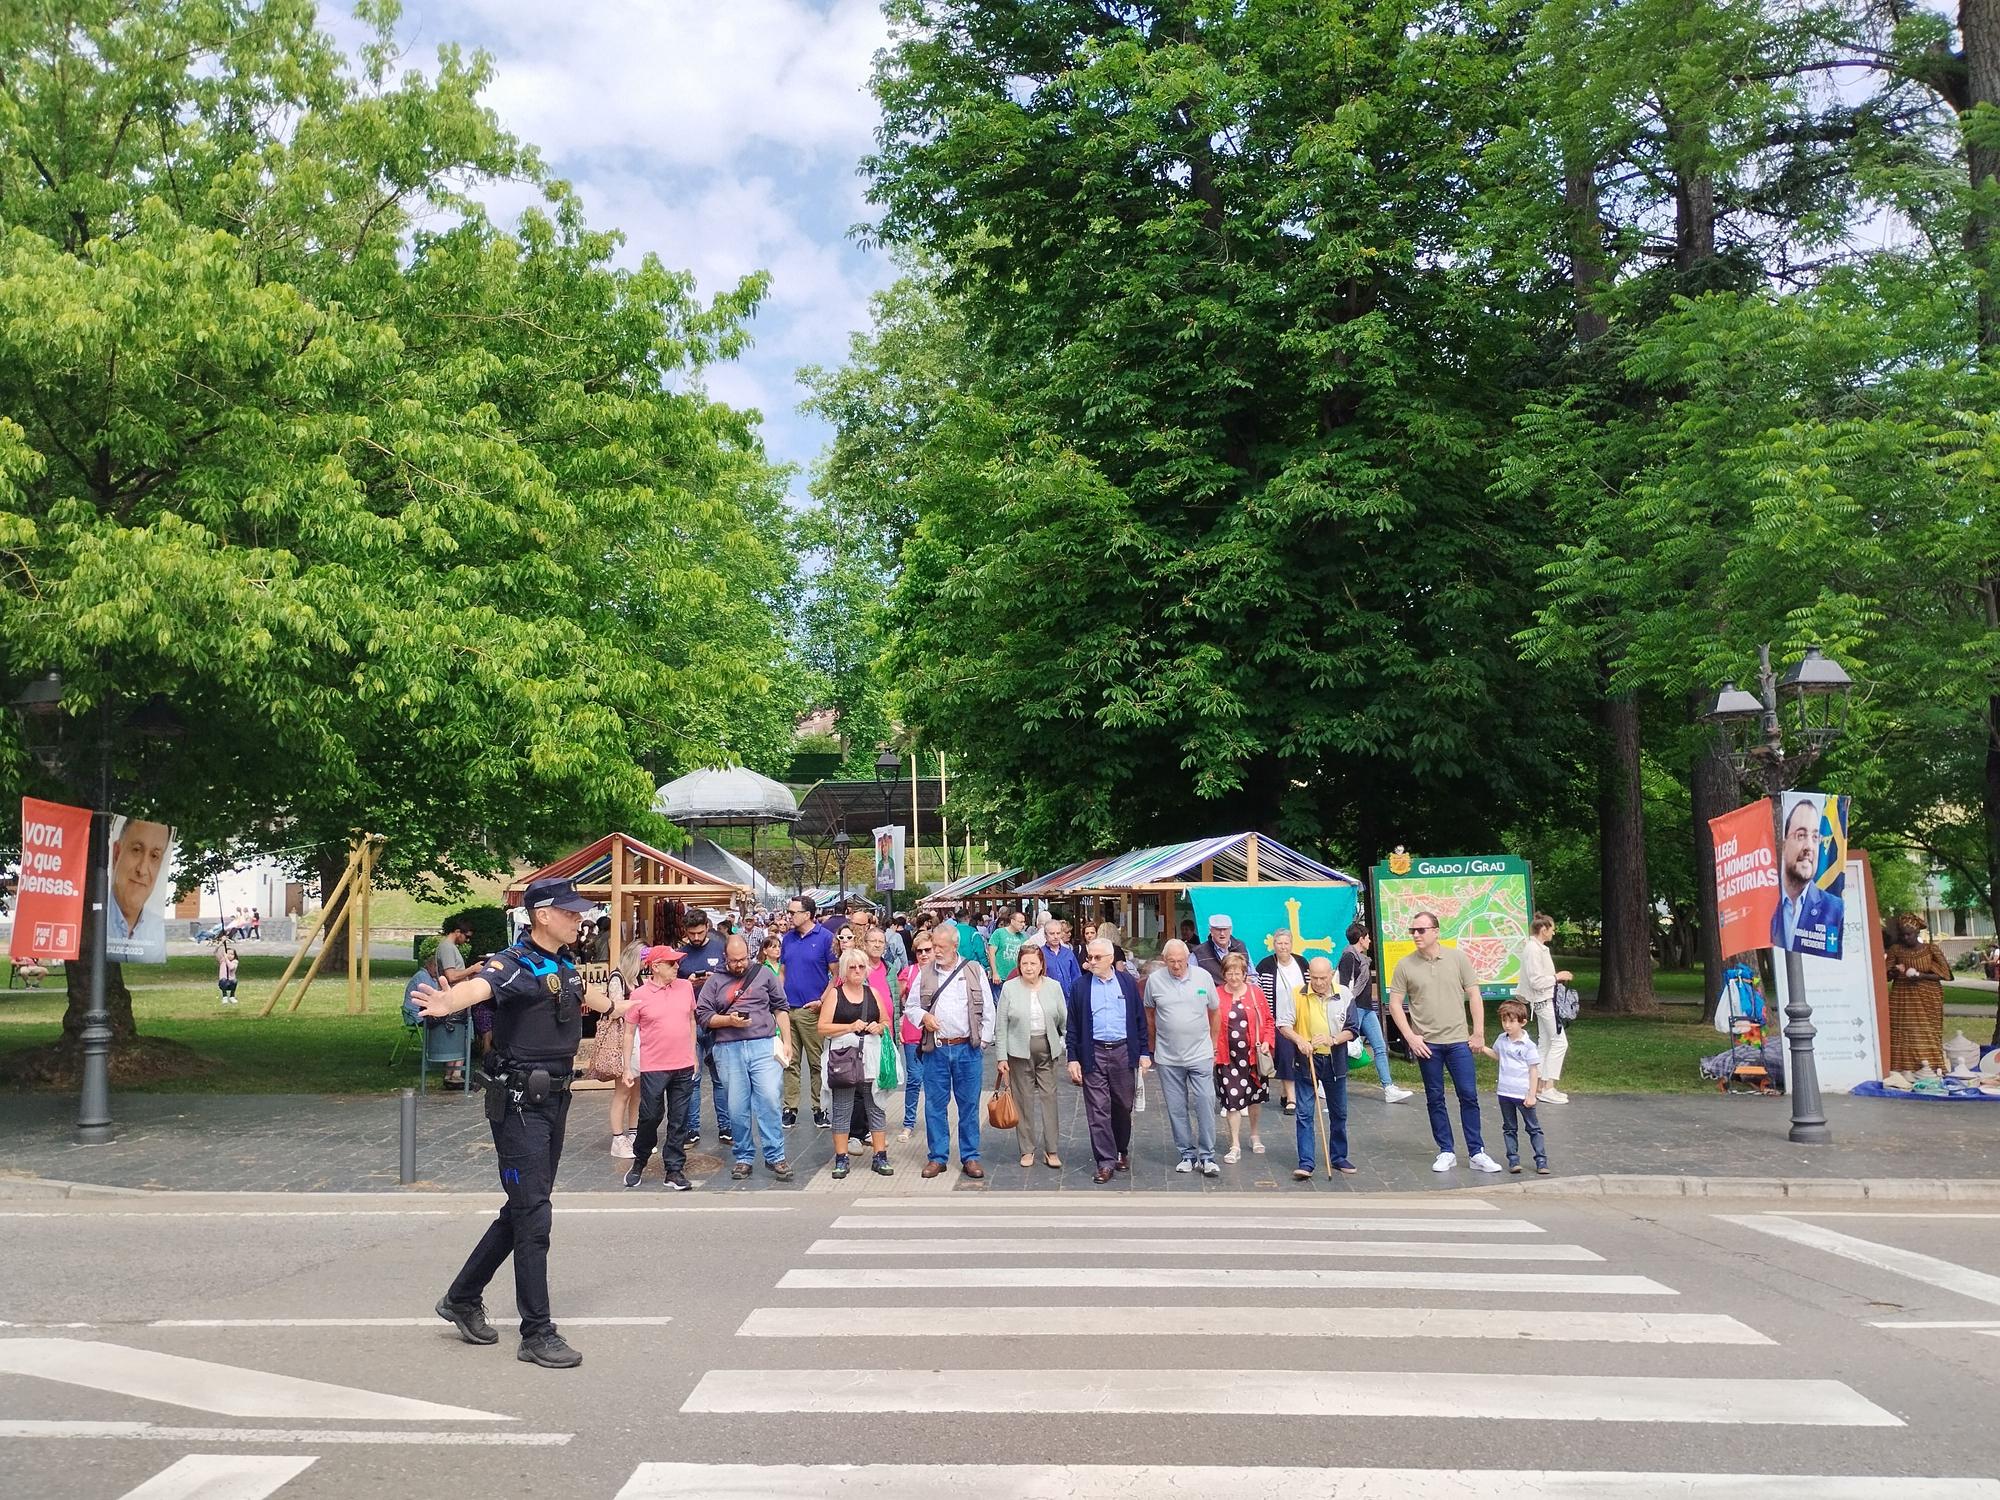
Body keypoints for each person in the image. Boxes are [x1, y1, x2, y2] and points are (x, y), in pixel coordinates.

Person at [414, 876, 611, 1369]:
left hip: (556, 1102)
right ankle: (537, 1332)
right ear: (542, 914)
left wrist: (633, 1005)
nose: (579, 917)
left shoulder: (563, 964)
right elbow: (479, 986)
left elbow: (595, 1001)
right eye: (570, 911)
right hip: (521, 1104)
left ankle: (462, 1297)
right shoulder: (513, 963)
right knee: (535, 1215)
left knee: (525, 1207)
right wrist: (447, 1002)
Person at [1388, 910, 1503, 1174]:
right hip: (1427, 1044)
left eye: (1421, 930)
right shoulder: (1405, 965)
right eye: (1412, 931)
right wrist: (1410, 1036)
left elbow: (1474, 994)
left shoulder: (1457, 958)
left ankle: (1477, 1151)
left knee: (1468, 1095)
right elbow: (1395, 1004)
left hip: (1458, 1041)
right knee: (1435, 1097)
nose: (1416, 935)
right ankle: (1446, 1150)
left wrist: (1478, 1033)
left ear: (1436, 931)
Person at [699, 933, 794, 1181]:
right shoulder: (715, 981)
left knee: (771, 1099)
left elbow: (781, 1007)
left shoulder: (763, 973)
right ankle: (743, 1156)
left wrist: (787, 1042)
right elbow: (703, 1015)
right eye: (734, 961)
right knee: (737, 1107)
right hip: (728, 1048)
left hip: (763, 1045)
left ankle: (776, 1156)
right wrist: (727, 1021)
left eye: (743, 959)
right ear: (725, 958)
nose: (740, 964)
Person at [904, 920, 993, 1179]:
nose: (936, 951)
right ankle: (938, 1157)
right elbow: (910, 1007)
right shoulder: (925, 972)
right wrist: (923, 1017)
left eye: (941, 946)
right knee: (934, 1105)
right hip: (937, 1049)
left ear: (955, 946)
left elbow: (988, 1009)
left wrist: (983, 1041)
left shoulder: (974, 970)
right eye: (934, 946)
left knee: (969, 1105)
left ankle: (970, 1156)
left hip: (967, 1049)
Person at [1065, 937, 1151, 1183]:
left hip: (1123, 1051)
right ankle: (1105, 1160)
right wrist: (1073, 1058)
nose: (1091, 962)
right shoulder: (1081, 986)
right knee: (1098, 1110)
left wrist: (1144, 1052)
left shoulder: (1126, 983)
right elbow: (1073, 1026)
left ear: (1111, 959)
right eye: (1089, 957)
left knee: (1123, 1106)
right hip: (1093, 1052)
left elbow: (1139, 1020)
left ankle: (1121, 1149)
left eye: (1096, 958)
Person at [619, 946, 698, 1192]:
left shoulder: (685, 988)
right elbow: (629, 1032)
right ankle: (640, 1159)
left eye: (677, 963)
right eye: (671, 963)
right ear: (655, 967)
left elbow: (691, 1020)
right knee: (650, 1115)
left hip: (683, 1064)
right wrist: (626, 1068)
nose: (677, 967)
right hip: (654, 1066)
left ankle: (674, 1169)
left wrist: (693, 1053)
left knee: (679, 1119)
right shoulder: (639, 995)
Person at [1144, 939, 1221, 1177]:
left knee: (1206, 1103)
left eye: (1180, 961)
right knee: (1176, 1109)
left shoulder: (1203, 977)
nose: (1176, 966)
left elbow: (1215, 1010)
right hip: (1169, 1057)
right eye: (1171, 961)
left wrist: (1214, 1043)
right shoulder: (1154, 981)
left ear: (1188, 958)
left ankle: (1207, 1156)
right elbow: (1149, 1013)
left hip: (1200, 1053)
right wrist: (1154, 1045)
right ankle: (1186, 1154)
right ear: (1164, 960)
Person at [818, 948, 895, 1179]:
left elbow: (885, 1021)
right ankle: (841, 1158)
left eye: (861, 967)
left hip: (870, 1055)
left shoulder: (872, 992)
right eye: (852, 967)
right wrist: (850, 1027)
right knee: (842, 1107)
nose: (858, 971)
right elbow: (822, 1028)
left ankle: (880, 1156)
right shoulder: (835, 994)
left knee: (875, 1105)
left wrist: (879, 1027)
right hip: (843, 1057)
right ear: (844, 970)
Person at [994, 939, 1068, 1169]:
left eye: (1033, 963)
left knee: (1049, 1099)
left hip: (1047, 1049)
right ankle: (1027, 1149)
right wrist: (1001, 1057)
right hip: (1018, 1051)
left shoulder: (1053, 987)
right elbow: (1001, 1025)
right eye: (1024, 963)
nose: (1029, 968)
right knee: (1023, 1100)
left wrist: (1065, 1043)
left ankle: (1052, 1149)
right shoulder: (1010, 987)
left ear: (1041, 965)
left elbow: (1063, 1019)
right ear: (1019, 965)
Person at [1283, 956, 1358, 1178]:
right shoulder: (1298, 993)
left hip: (1335, 1059)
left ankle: (1339, 1156)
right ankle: (1306, 1162)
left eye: (1323, 978)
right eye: (1314, 978)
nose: (1319, 983)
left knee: (1339, 1112)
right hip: (1307, 1059)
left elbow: (1352, 1028)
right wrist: (1300, 1041)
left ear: (1331, 974)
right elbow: (1284, 1024)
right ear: (1309, 974)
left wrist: (1332, 1039)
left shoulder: (1343, 994)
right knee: (1304, 1112)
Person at [778, 896, 835, 1129]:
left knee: (816, 1062)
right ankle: (790, 1107)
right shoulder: (788, 939)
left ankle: (819, 1107)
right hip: (787, 1008)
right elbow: (783, 970)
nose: (789, 916)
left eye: (793, 912)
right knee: (789, 1060)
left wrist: (822, 1001)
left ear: (808, 914)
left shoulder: (825, 938)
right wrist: (778, 996)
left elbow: (836, 974)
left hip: (811, 1011)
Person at [676, 910, 730, 1146]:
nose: (696, 938)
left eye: (699, 932)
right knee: (693, 1078)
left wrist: (715, 980)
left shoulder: (721, 949)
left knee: (721, 1079)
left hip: (718, 1020)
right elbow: (671, 985)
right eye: (691, 934)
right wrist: (686, 984)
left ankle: (726, 1127)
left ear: (707, 927)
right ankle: (692, 1128)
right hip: (692, 1020)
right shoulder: (680, 955)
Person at [1339, 921, 1409, 1100]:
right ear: (1361, 939)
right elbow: (1344, 987)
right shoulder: (1349, 957)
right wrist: (1348, 1011)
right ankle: (1328, 1081)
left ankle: (1389, 1088)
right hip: (1355, 1008)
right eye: (1368, 937)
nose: (1370, 940)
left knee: (1379, 1046)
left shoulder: (1362, 959)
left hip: (1367, 1009)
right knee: (1345, 1048)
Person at [1213, 950, 1271, 1163]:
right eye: (1230, 973)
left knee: (1255, 1098)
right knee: (1232, 1100)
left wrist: (1267, 1042)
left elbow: (1269, 1021)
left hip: (1254, 1056)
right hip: (1227, 1057)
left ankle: (1254, 1135)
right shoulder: (1217, 994)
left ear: (1245, 974)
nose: (1234, 977)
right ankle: (1234, 1143)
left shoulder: (1256, 993)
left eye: (1238, 973)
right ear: (1224, 974)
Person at [1482, 1000, 1548, 1175]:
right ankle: (1513, 1159)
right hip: (1505, 1092)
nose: (1507, 1025)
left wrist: (1531, 1094)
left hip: (1523, 1093)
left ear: (1522, 1022)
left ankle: (1541, 1160)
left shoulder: (1528, 1045)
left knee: (1533, 1127)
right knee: (1509, 1128)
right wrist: (1482, 1048)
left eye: (1511, 1021)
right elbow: (1498, 1055)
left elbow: (1533, 1071)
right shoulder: (1501, 1040)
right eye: (1504, 1021)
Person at [1515, 913, 1573, 1103]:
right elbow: (1536, 981)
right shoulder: (1533, 949)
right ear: (1543, 929)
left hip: (1544, 1000)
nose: (1554, 933)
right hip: (1543, 1001)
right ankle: (1547, 1087)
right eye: (1552, 929)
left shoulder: (1538, 948)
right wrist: (1557, 976)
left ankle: (1538, 1085)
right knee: (1559, 1042)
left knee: (1546, 1042)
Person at [1772, 798, 1845, 951]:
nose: (1809, 847)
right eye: (1801, 835)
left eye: (1815, 837)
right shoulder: (1767, 906)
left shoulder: (1835, 909)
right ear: (1784, 846)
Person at [1885, 912, 1952, 1070]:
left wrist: (1921, 975)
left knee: (1927, 1031)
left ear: (1917, 933)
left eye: (1909, 934)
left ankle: (1931, 1066)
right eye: (1903, 935)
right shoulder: (1896, 950)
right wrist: (1894, 971)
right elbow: (1886, 974)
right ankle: (1903, 1067)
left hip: (1927, 996)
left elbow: (1946, 975)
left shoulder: (1930, 950)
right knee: (1904, 1031)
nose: (1906, 938)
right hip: (1903, 996)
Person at [1256, 928, 1307, 1116]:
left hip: (1301, 1020)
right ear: (1273, 945)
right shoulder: (1265, 966)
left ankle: (1286, 1092)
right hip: (1277, 1021)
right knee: (1285, 1055)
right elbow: (1260, 995)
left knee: (1301, 1056)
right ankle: (1292, 1099)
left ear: (1291, 944)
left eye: (1286, 943)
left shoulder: (1302, 963)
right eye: (1279, 943)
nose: (1283, 947)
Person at [106, 816, 171, 958]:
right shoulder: (95, 919)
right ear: (117, 854)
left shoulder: (156, 931)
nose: (142, 870)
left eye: (154, 856)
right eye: (136, 850)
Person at [604, 941, 646, 1159]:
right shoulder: (617, 978)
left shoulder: (636, 979)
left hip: (639, 1039)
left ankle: (633, 1133)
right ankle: (618, 1137)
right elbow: (613, 1010)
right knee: (623, 1091)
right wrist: (638, 1003)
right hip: (623, 1039)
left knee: (637, 1091)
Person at [894, 928, 931, 1140]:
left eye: (927, 950)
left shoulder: (941, 971)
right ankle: (909, 1122)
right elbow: (899, 1001)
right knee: (915, 1078)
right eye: (919, 951)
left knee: (935, 1079)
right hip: (912, 1031)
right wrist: (899, 1025)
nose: (924, 954)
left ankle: (935, 1119)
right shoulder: (908, 972)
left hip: (935, 1033)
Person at [1193, 913, 1248, 986]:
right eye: (1218, 929)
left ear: (1231, 930)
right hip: (1212, 995)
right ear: (1211, 931)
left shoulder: (1241, 946)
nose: (1222, 933)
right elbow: (1191, 980)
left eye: (1225, 929)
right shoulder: (1198, 953)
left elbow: (1253, 975)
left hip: (1239, 994)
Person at [989, 908, 1029, 988]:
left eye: (1024, 922)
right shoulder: (999, 933)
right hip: (1000, 977)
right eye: (1020, 922)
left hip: (1017, 978)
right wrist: (995, 973)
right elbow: (991, 953)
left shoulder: (1024, 937)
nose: (1023, 924)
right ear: (1012, 921)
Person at [1041, 919, 1083, 993]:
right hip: (1048, 996)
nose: (1056, 936)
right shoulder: (1040, 954)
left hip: (1067, 998)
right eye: (1052, 933)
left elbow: (1076, 977)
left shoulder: (1068, 953)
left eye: (1058, 933)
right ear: (1045, 935)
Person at [215, 938, 239, 1006]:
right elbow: (215, 951)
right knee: (223, 980)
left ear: (234, 956)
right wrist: (222, 942)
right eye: (228, 954)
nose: (229, 955)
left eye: (232, 954)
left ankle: (232, 996)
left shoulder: (235, 962)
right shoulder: (222, 960)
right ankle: (224, 996)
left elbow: (231, 967)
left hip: (231, 983)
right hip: (223, 983)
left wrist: (226, 959)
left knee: (234, 981)